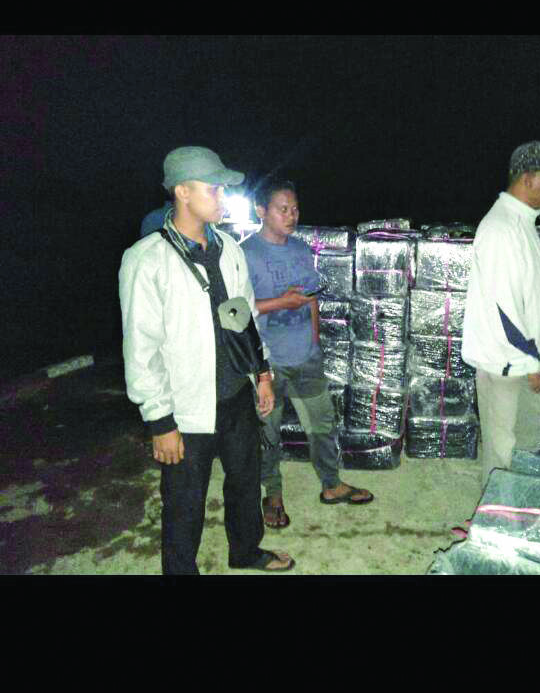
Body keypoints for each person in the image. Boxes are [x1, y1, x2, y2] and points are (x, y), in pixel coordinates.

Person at [119, 146, 295, 574]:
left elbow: (244, 317)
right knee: (184, 503)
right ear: (182, 191)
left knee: (245, 483)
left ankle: (246, 552)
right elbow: (141, 349)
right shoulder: (147, 259)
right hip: (187, 408)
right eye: (213, 188)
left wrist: (262, 373)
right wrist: (160, 422)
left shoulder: (229, 249)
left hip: (236, 395)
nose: (222, 197)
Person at [240, 177, 374, 529]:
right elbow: (237, 310)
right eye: (283, 209)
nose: (292, 215)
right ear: (261, 211)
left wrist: (315, 342)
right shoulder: (245, 254)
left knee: (322, 425)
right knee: (267, 433)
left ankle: (331, 484)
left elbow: (311, 298)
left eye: (295, 209)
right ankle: (272, 493)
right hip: (267, 363)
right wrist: (281, 303)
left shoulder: (301, 249)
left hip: (306, 356)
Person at [461, 141, 540, 491]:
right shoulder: (501, 229)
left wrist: (535, 361)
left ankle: (512, 508)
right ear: (528, 179)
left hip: (523, 362)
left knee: (525, 443)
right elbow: (505, 311)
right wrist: (532, 365)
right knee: (501, 451)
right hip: (507, 364)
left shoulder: (521, 223)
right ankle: (494, 514)